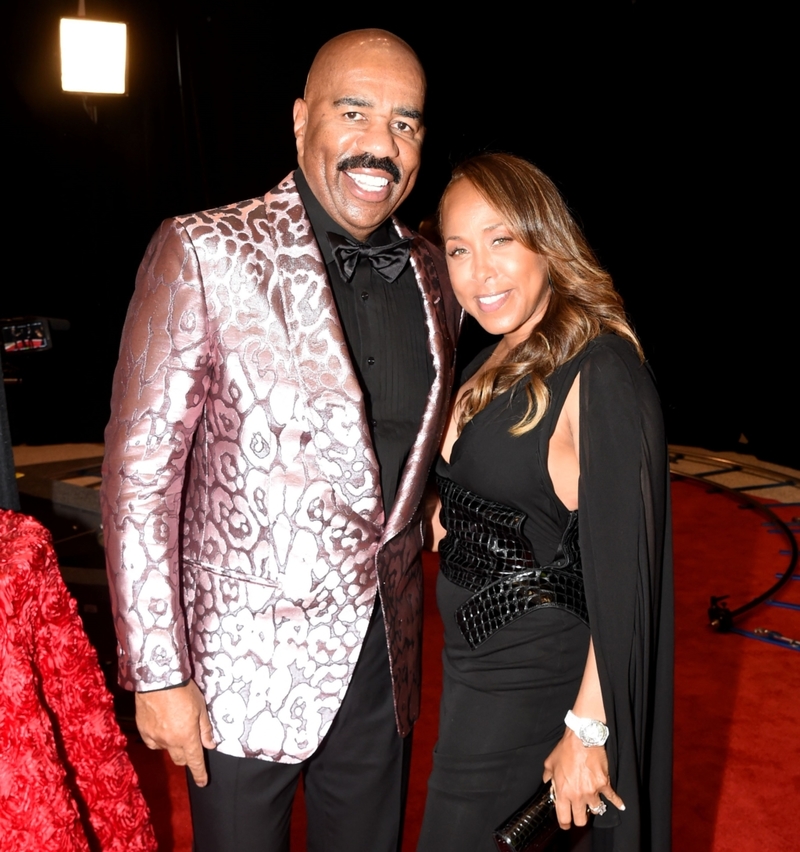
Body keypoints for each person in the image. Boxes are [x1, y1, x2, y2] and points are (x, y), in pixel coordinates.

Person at [101, 29, 461, 852]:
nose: (381, 143)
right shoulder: (205, 250)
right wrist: (159, 673)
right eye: (355, 110)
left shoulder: (438, 274)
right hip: (238, 676)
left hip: (382, 665)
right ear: (301, 120)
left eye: (405, 123)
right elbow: (139, 480)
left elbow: (392, 463)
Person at [417, 154, 672, 852]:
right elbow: (489, 492)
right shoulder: (495, 352)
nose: (480, 272)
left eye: (500, 240)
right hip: (472, 665)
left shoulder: (602, 370)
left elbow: (626, 577)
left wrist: (588, 730)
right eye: (460, 250)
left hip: (536, 673)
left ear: (545, 239)